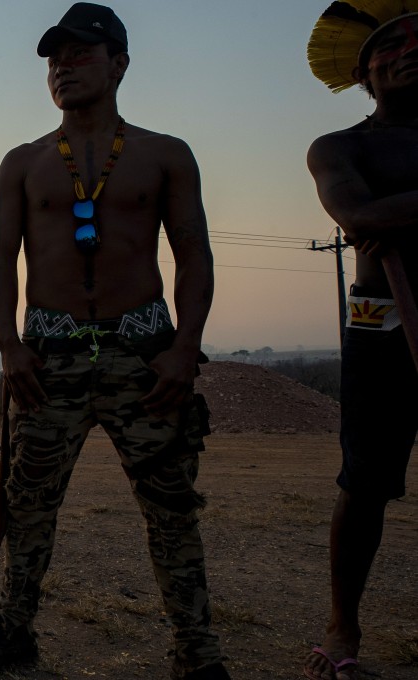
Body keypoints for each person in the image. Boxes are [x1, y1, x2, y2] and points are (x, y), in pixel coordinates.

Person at [0, 5, 229, 679]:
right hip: (49, 358)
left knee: (171, 508)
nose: (63, 67)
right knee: (30, 502)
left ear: (120, 64)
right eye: (54, 58)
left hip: (146, 355)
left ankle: (195, 654)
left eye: (80, 54)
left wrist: (185, 348)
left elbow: (194, 255)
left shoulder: (165, 155)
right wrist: (9, 346)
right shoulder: (22, 163)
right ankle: (14, 631)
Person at [303, 3, 418, 679]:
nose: (409, 50)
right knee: (366, 481)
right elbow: (356, 212)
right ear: (361, 72)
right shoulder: (340, 146)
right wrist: (377, 216)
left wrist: (395, 214)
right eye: (390, 45)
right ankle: (343, 623)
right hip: (383, 321)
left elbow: (380, 215)